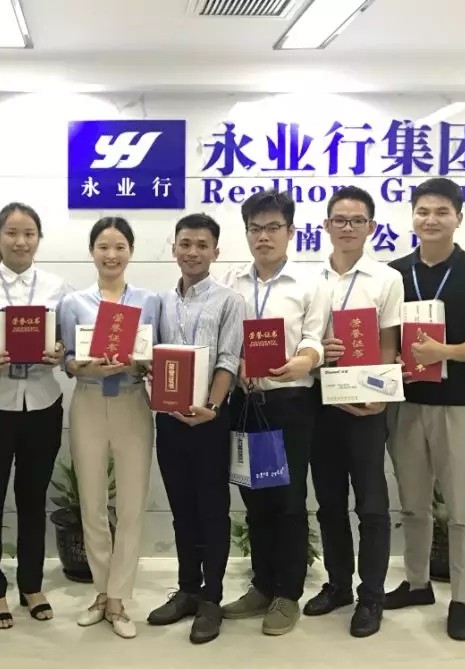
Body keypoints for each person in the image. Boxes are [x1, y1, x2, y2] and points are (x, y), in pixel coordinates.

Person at [384, 177, 465, 641]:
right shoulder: (394, 273)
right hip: (405, 404)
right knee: (413, 503)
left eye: (441, 212)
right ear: (412, 216)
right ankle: (416, 583)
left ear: (458, 217)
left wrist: (442, 352)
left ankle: (462, 601)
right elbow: (385, 339)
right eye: (422, 211)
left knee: (461, 507)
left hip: (457, 406)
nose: (430, 220)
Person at [219, 190, 326, 636]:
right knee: (254, 498)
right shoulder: (230, 281)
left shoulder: (309, 283)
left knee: (287, 501)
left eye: (273, 228)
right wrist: (236, 363)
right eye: (255, 228)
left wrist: (303, 361)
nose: (263, 237)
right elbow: (225, 337)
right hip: (245, 402)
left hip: (290, 403)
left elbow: (315, 338)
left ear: (290, 232)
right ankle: (262, 585)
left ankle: (287, 593)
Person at [0, 202, 69, 629]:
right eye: (11, 233)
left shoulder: (57, 286)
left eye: (28, 233)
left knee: (32, 498)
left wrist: (60, 352)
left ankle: (31, 585)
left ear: (39, 239)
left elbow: (68, 342)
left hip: (43, 402)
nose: (20, 241)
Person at [302, 186, 402, 638]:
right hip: (320, 401)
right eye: (339, 220)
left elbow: (388, 343)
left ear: (371, 227)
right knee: (328, 503)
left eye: (357, 220)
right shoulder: (310, 279)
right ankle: (339, 585)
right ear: (326, 225)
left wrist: (379, 397)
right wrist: (318, 349)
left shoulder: (386, 279)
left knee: (372, 505)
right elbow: (301, 338)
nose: (347, 227)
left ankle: (372, 596)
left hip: (366, 405)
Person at [58, 217, 161, 639]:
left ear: (131, 251)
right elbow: (66, 359)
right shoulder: (73, 302)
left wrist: (144, 362)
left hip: (132, 402)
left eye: (119, 246)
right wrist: (83, 366)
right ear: (92, 251)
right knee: (92, 503)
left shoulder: (150, 300)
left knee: (132, 504)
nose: (111, 254)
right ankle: (101, 592)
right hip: (87, 401)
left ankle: (119, 598)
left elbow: (159, 355)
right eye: (103, 246)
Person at [146, 213, 245, 645]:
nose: (192, 252)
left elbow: (228, 359)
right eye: (185, 244)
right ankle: (187, 589)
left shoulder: (229, 300)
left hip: (209, 421)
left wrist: (213, 406)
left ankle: (212, 598)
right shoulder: (160, 302)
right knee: (181, 509)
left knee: (212, 510)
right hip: (169, 421)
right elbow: (151, 356)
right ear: (174, 249)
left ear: (215, 252)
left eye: (202, 245)